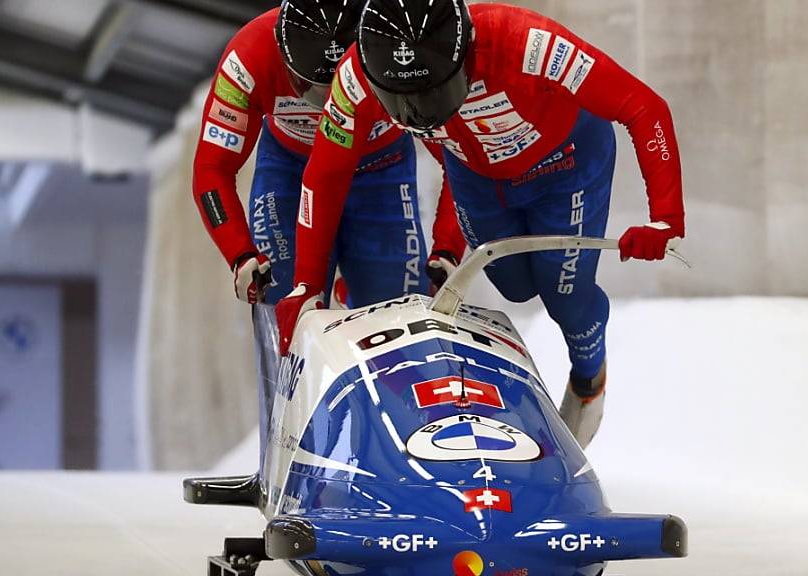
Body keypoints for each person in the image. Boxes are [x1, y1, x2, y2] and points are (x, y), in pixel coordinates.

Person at [277, 0, 685, 448]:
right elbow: (324, 175)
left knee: (563, 293)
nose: (416, 114)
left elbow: (644, 107)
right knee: (514, 286)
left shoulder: (528, 44)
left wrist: (665, 219)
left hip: (567, 169)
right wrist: (305, 284)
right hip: (477, 177)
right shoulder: (354, 78)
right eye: (398, 99)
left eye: (432, 93)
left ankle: (589, 375)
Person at [192, 0, 465, 307]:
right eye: (316, 90)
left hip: (380, 171)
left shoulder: (397, 45)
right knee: (284, 298)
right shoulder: (247, 59)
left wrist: (448, 246)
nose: (332, 105)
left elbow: (459, 156)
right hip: (289, 173)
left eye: (347, 86)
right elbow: (212, 167)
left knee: (396, 305)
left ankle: (359, 289)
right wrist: (240, 253)